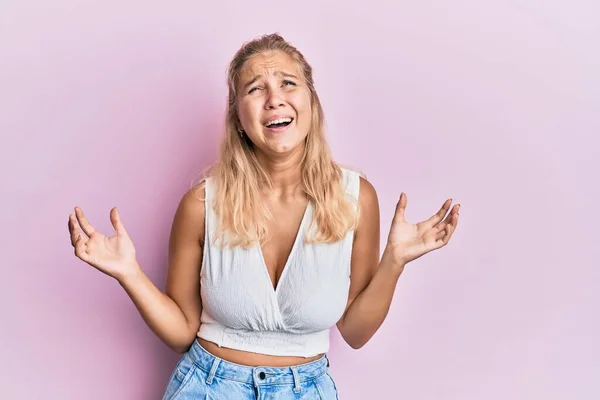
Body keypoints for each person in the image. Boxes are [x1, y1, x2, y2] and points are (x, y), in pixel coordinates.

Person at [67, 33, 460, 400]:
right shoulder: (200, 204)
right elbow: (182, 333)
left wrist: (394, 262)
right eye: (255, 89)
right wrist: (128, 273)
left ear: (312, 102)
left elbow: (355, 333)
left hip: (307, 388)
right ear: (238, 117)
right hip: (208, 386)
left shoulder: (356, 198)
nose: (275, 99)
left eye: (288, 83)